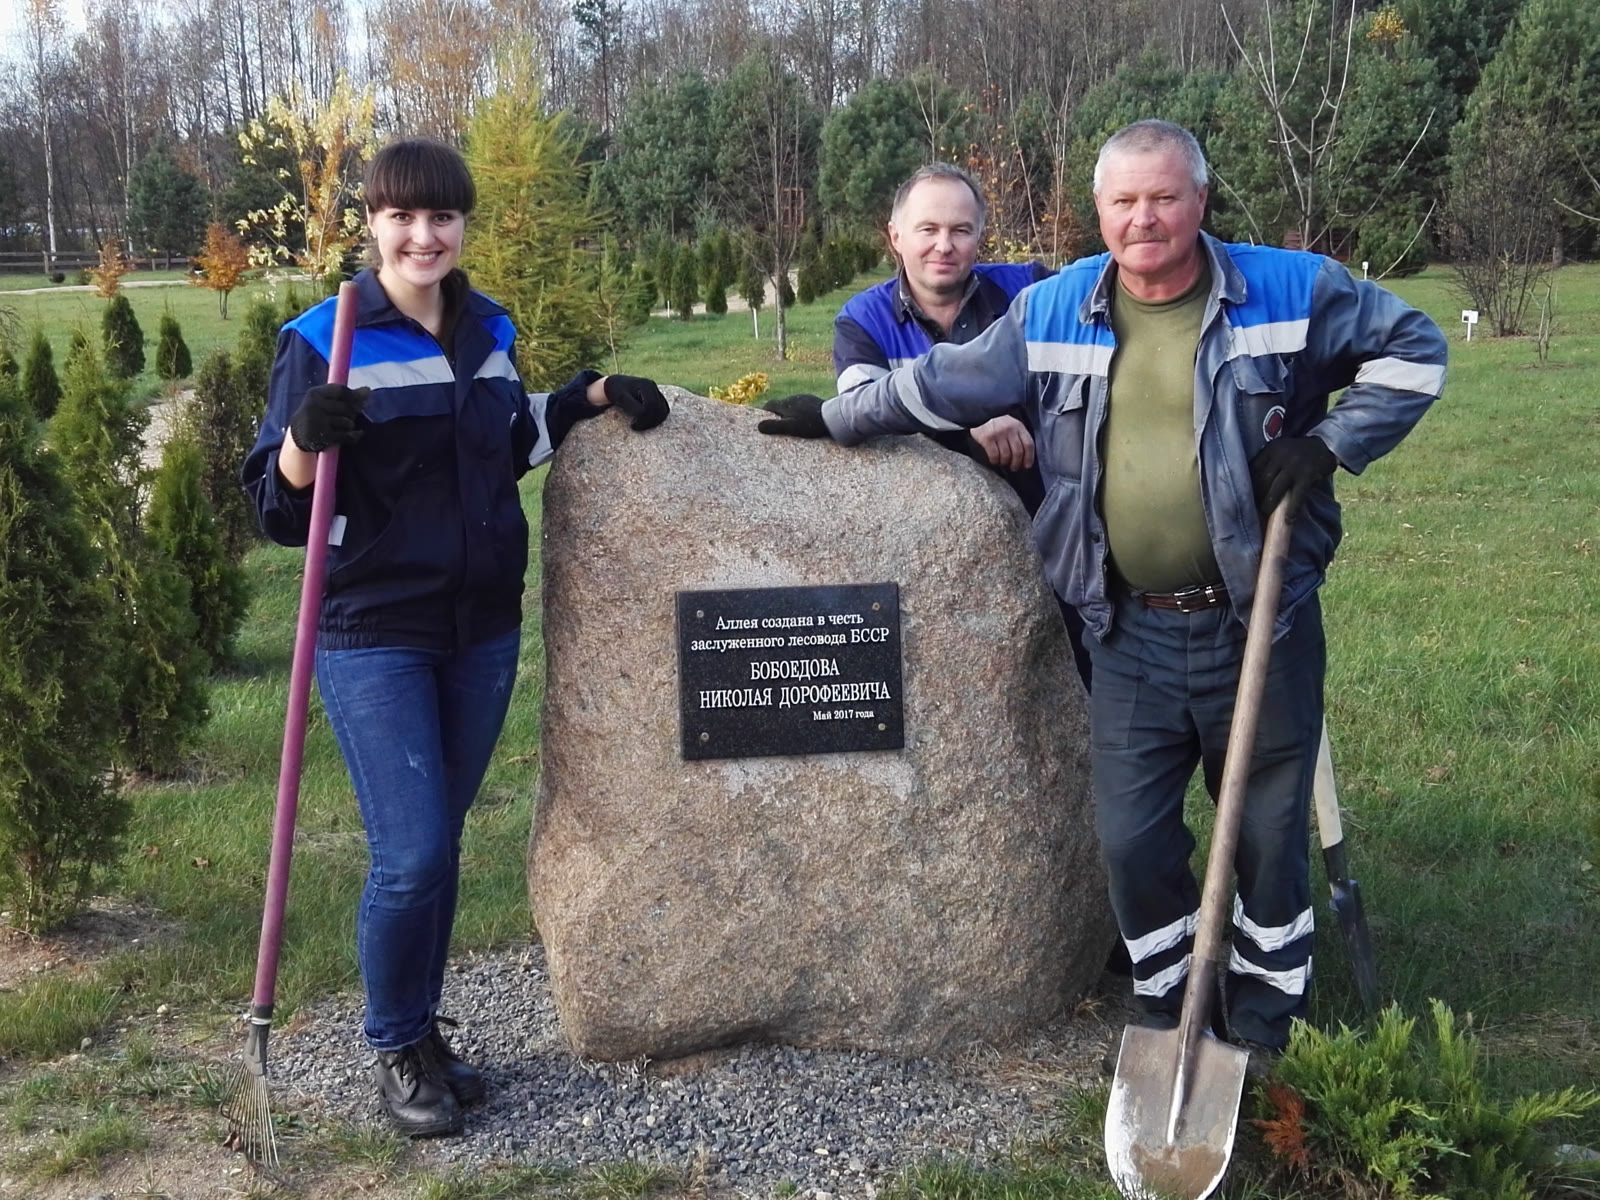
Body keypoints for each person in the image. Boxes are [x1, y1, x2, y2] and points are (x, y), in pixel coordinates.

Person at [758, 120, 1445, 1056]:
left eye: (1164, 197)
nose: (1144, 219)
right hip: (1127, 628)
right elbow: (941, 385)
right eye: (1123, 202)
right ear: (1099, 212)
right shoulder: (1056, 309)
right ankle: (1167, 1008)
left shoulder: (1291, 289)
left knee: (1269, 832)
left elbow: (1417, 352)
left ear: (1201, 201)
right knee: (1132, 839)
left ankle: (1265, 1013)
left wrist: (1329, 443)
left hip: (1259, 620)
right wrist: (838, 417)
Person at [242, 138, 669, 1137]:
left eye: (441, 217)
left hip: (480, 629)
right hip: (373, 629)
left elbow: (507, 439)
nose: (422, 235)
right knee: (415, 853)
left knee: (436, 848)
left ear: (464, 225)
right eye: (401, 216)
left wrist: (591, 397)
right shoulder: (325, 336)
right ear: (372, 224)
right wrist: (306, 439)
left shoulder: (488, 330)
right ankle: (396, 1044)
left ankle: (424, 1032)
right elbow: (272, 504)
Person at [833, 162, 1091, 686]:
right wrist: (968, 425)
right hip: (930, 544)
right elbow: (863, 417)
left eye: (960, 230)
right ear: (895, 236)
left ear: (980, 236)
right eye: (928, 229)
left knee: (1080, 687)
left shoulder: (1032, 289)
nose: (943, 245)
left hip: (1061, 532)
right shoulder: (861, 322)